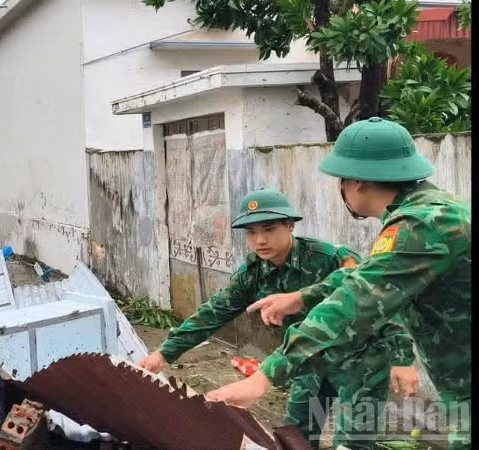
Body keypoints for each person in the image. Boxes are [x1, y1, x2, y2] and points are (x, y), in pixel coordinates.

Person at [207, 118, 471, 449]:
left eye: (340, 181)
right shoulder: (432, 211)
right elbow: (367, 276)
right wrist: (302, 297)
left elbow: (357, 301)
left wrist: (264, 378)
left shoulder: (421, 227)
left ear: (356, 182)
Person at [138, 188, 417, 450]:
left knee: (354, 442)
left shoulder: (331, 259)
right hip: (308, 362)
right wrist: (164, 353)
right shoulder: (253, 273)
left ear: (290, 226)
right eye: (251, 232)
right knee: (296, 436)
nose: (260, 240)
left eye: (269, 229)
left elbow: (382, 299)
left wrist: (403, 358)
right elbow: (213, 312)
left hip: (361, 360)